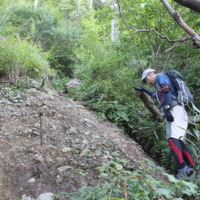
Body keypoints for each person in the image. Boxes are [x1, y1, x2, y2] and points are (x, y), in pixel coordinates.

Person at [135, 68, 195, 179]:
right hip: (178, 110)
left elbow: (166, 90)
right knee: (178, 140)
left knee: (172, 139)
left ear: (151, 73)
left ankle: (182, 169)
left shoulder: (161, 77)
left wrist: (167, 109)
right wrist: (143, 89)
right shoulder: (158, 84)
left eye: (146, 79)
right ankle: (191, 167)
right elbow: (156, 95)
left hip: (175, 109)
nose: (147, 82)